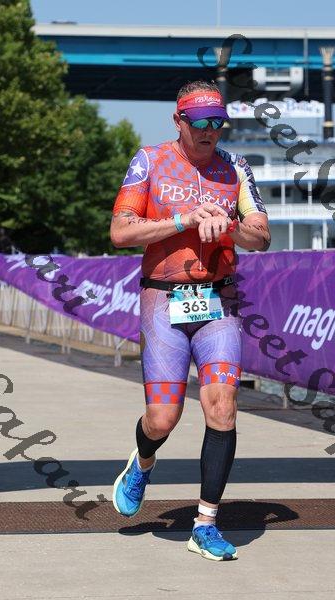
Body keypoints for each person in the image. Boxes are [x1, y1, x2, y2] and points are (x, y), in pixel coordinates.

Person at [110, 80, 270, 561]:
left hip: (219, 303)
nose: (209, 131)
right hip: (163, 301)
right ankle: (143, 462)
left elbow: (261, 237)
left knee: (222, 408)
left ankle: (205, 523)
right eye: (199, 122)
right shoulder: (149, 161)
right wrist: (184, 220)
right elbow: (120, 231)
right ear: (178, 120)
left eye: (218, 122)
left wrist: (230, 226)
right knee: (163, 418)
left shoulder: (236, 167)